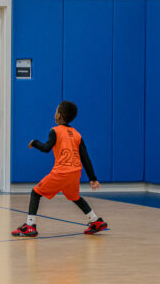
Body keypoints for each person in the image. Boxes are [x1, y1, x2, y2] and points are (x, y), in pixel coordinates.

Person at [12, 100, 108, 237]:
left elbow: (46, 148)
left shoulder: (55, 131)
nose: (55, 113)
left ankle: (30, 225)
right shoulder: (77, 134)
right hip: (75, 173)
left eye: (56, 110)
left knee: (35, 192)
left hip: (61, 172)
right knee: (74, 197)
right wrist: (93, 178)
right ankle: (96, 220)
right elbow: (85, 158)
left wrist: (35, 143)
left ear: (59, 116)